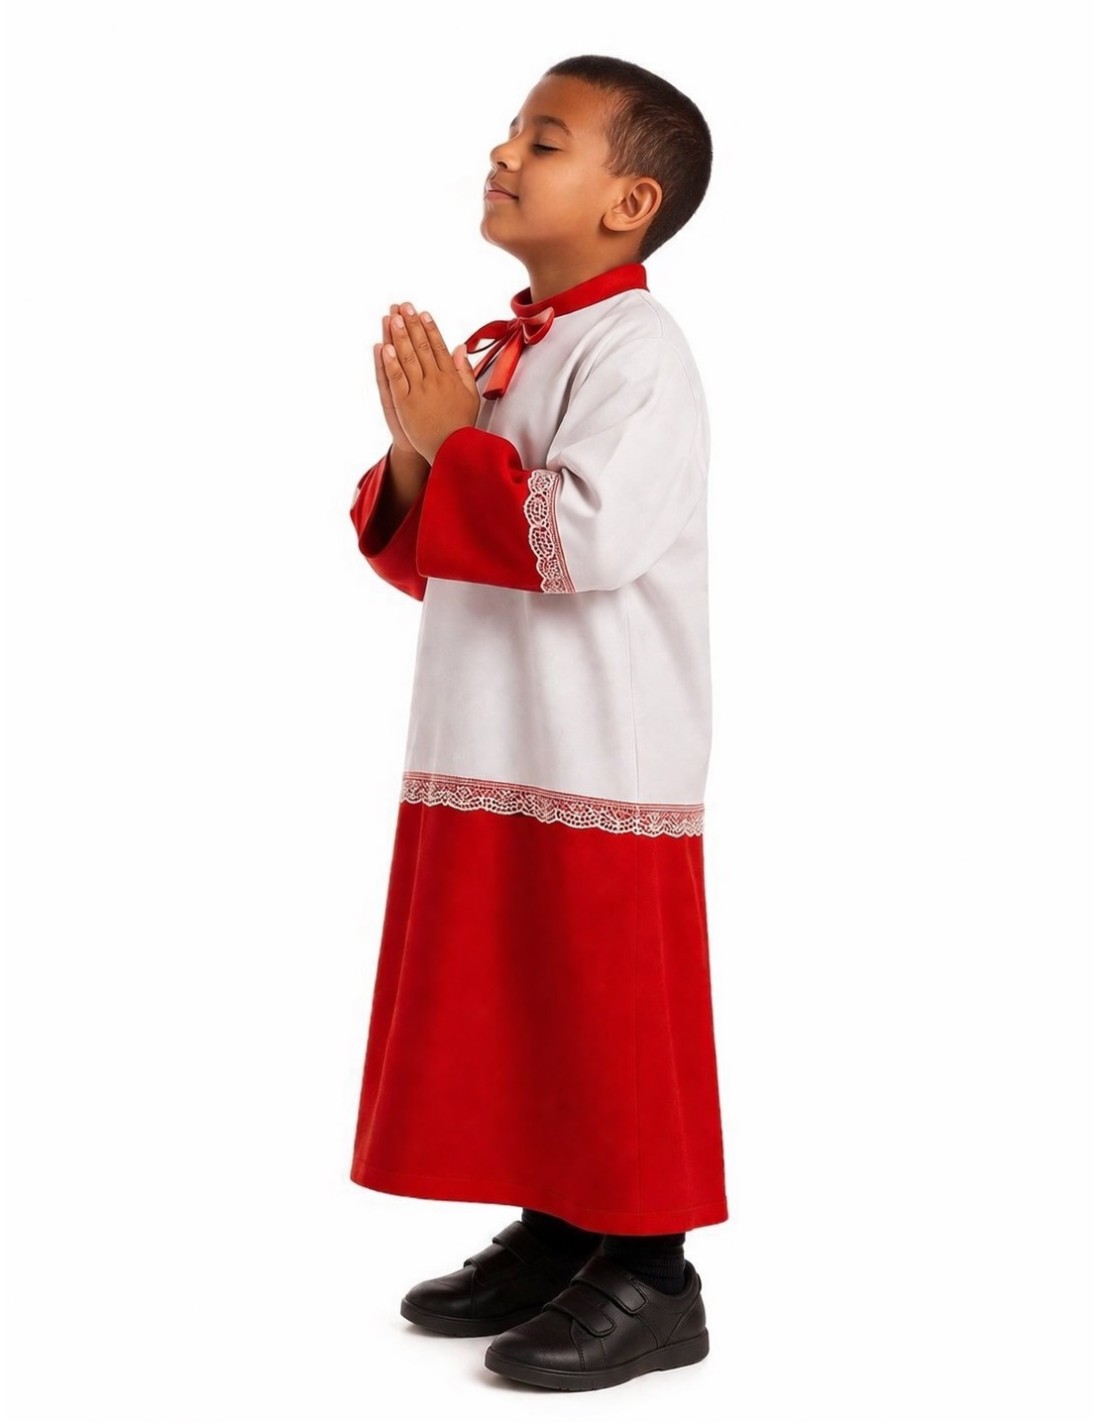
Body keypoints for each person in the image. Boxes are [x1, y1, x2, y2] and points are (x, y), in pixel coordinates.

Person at [347, 54, 726, 1392]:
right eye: (512, 130)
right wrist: (421, 448)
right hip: (488, 737)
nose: (505, 151)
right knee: (519, 985)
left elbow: (584, 540)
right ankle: (566, 1227)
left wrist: (455, 440)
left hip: (599, 744)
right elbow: (428, 551)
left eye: (545, 139)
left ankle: (654, 1270)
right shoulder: (508, 346)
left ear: (630, 203)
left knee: (610, 999)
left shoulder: (639, 353)